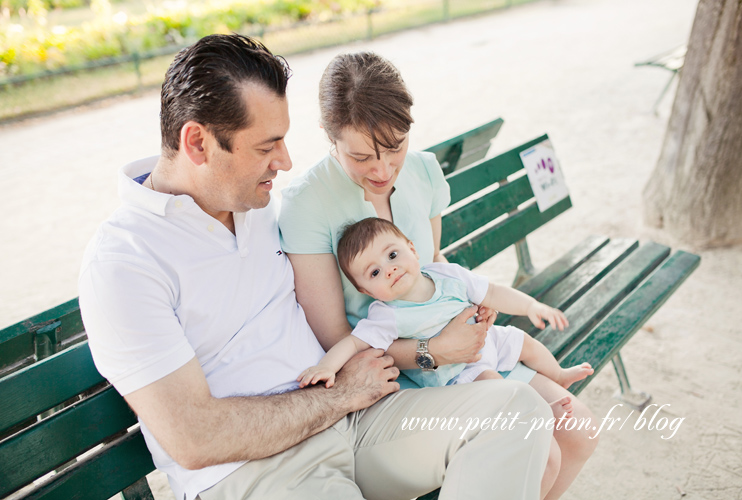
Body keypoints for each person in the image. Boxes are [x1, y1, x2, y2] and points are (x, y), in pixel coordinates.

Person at [78, 34, 555, 500]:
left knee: (517, 411)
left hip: (358, 423)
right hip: (260, 470)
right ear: (198, 143)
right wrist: (339, 395)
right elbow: (194, 437)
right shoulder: (125, 264)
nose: (284, 162)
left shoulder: (254, 206)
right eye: (267, 147)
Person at [279, 51, 599, 500]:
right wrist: (435, 351)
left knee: (578, 430)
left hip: (465, 354)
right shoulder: (305, 204)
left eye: (395, 147)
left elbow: (434, 263)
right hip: (392, 378)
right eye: (361, 156)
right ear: (327, 137)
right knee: (539, 453)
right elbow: (336, 338)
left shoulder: (425, 170)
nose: (383, 170)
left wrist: (470, 326)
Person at [298, 218, 593, 418]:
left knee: (524, 341)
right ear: (366, 291)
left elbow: (492, 292)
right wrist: (325, 367)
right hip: (457, 373)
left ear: (412, 249)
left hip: (486, 341)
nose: (388, 269)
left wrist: (530, 307)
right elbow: (352, 344)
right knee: (496, 386)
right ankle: (541, 412)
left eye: (392, 255)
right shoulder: (387, 315)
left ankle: (559, 374)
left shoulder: (446, 274)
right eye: (374, 273)